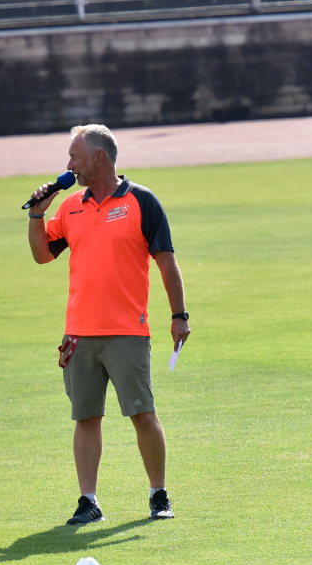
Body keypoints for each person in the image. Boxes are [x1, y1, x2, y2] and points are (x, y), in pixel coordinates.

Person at [26, 124, 191, 525]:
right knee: (86, 418)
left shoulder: (141, 202)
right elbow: (43, 255)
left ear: (98, 157)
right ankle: (88, 500)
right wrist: (37, 213)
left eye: (75, 157)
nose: (69, 165)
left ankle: (158, 494)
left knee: (142, 413)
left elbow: (166, 262)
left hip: (127, 331)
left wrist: (179, 315)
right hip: (79, 332)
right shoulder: (70, 206)